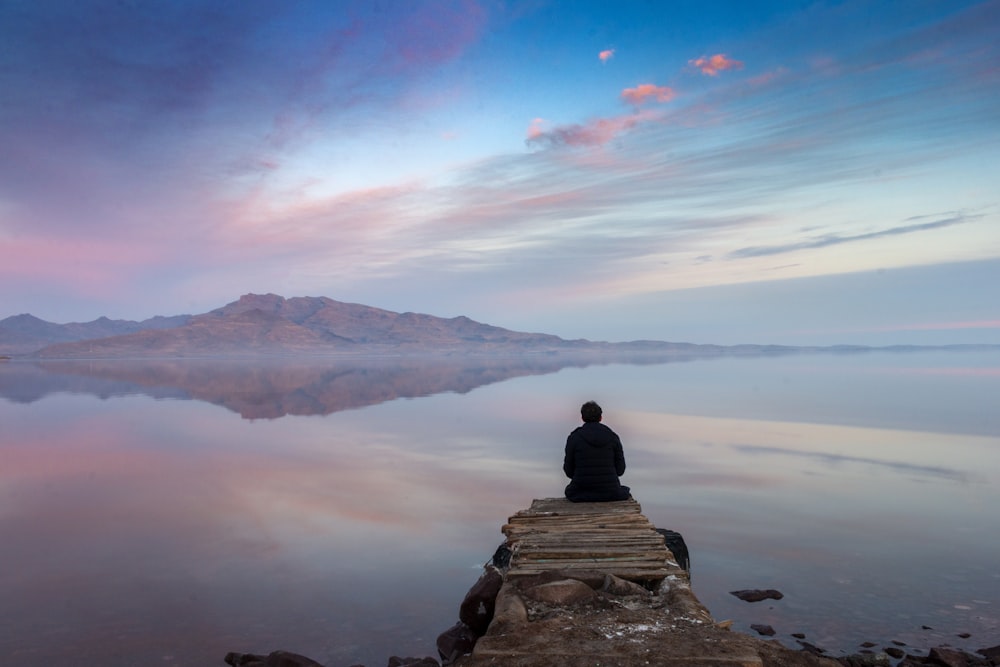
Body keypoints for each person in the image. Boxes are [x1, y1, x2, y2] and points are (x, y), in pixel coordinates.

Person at [563, 400, 631, 502]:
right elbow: (620, 470)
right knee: (624, 490)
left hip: (580, 492)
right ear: (600, 417)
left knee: (569, 491)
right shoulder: (613, 437)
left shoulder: (574, 438)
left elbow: (568, 471)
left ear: (582, 418)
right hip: (611, 492)